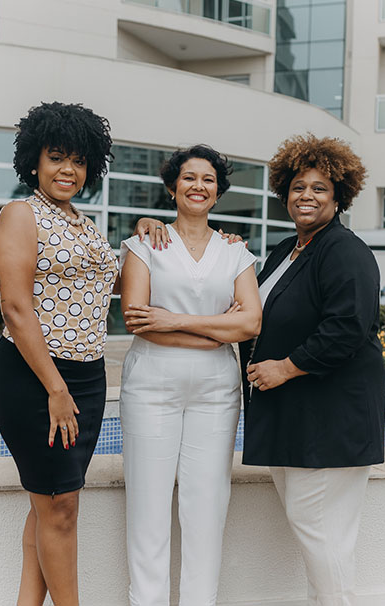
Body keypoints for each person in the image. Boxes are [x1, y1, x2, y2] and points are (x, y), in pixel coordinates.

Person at [240, 134, 385, 606]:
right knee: (318, 533)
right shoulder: (287, 250)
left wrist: (285, 367)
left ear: (339, 196)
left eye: (320, 188)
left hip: (330, 418)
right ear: (284, 193)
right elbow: (255, 312)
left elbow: (348, 327)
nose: (307, 195)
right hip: (296, 416)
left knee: (319, 530)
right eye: (298, 187)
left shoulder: (344, 250)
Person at [119, 144, 262, 606]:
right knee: (148, 509)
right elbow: (138, 320)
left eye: (208, 180)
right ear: (172, 187)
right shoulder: (144, 245)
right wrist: (216, 332)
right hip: (151, 387)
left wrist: (175, 320)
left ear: (217, 192)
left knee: (207, 508)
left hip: (216, 392)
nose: (198, 186)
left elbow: (250, 323)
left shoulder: (235, 252)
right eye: (189, 177)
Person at [0, 101, 117, 606]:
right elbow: (16, 308)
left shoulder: (84, 223)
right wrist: (56, 388)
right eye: (57, 157)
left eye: (79, 161)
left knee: (49, 503)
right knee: (60, 506)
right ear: (35, 161)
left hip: (87, 375)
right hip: (36, 375)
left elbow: (103, 284)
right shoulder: (21, 215)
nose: (68, 170)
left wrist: (151, 226)